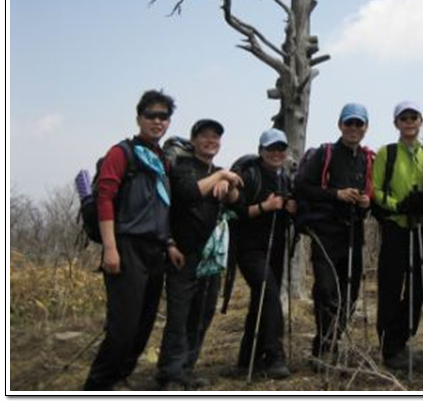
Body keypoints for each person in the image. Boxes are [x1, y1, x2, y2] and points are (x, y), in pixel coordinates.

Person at [84, 89, 183, 391]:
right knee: (123, 328)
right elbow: (105, 198)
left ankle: (120, 378)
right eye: (150, 115)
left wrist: (168, 243)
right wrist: (110, 249)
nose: (157, 121)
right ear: (139, 118)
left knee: (144, 324)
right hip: (126, 247)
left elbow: (160, 208)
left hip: (155, 250)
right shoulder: (121, 153)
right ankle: (98, 386)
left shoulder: (161, 159)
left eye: (163, 116)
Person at [155, 119, 243, 390]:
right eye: (204, 136)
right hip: (183, 253)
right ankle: (169, 373)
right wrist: (221, 176)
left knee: (202, 314)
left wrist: (229, 185)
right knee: (179, 315)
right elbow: (187, 193)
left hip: (211, 258)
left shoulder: (218, 171)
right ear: (193, 140)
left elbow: (237, 200)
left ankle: (186, 370)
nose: (210, 141)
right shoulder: (180, 167)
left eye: (215, 137)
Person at [293, 103, 374, 367]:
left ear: (365, 128)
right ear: (340, 125)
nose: (353, 128)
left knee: (349, 295)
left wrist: (366, 203)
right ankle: (324, 348)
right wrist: (336, 194)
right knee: (327, 290)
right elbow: (302, 186)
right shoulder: (324, 154)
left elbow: (371, 196)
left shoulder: (367, 159)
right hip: (324, 233)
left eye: (358, 124)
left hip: (353, 235)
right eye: (348, 123)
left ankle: (331, 342)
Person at [372, 101, 423, 370]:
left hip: (422, 226)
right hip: (396, 226)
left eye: (413, 117)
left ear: (421, 121)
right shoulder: (387, 153)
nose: (409, 122)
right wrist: (398, 205)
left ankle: (402, 339)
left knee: (418, 288)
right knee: (390, 286)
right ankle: (389, 345)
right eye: (403, 118)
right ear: (396, 123)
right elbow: (375, 189)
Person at [232, 128, 296, 380]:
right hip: (249, 249)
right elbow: (238, 211)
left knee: (262, 299)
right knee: (269, 294)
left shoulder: (284, 178)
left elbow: (288, 210)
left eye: (281, 149)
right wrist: (265, 207)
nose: (276, 153)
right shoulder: (249, 175)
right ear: (261, 151)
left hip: (275, 247)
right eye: (271, 149)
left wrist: (291, 208)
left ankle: (247, 358)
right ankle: (274, 356)